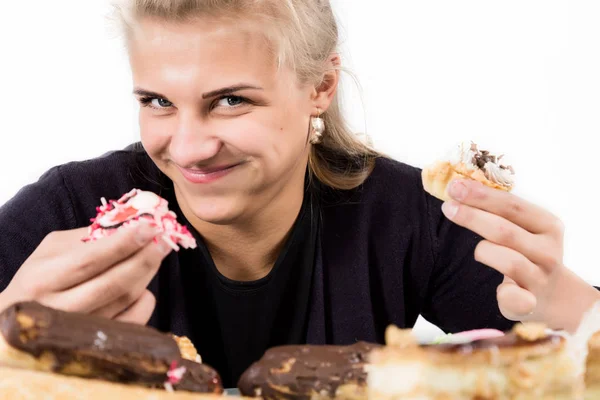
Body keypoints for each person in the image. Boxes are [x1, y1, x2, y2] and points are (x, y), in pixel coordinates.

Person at [0, 0, 597, 387]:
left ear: (321, 86)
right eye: (157, 102)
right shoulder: (67, 210)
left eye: (230, 100)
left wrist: (568, 306)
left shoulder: (406, 216)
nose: (186, 148)